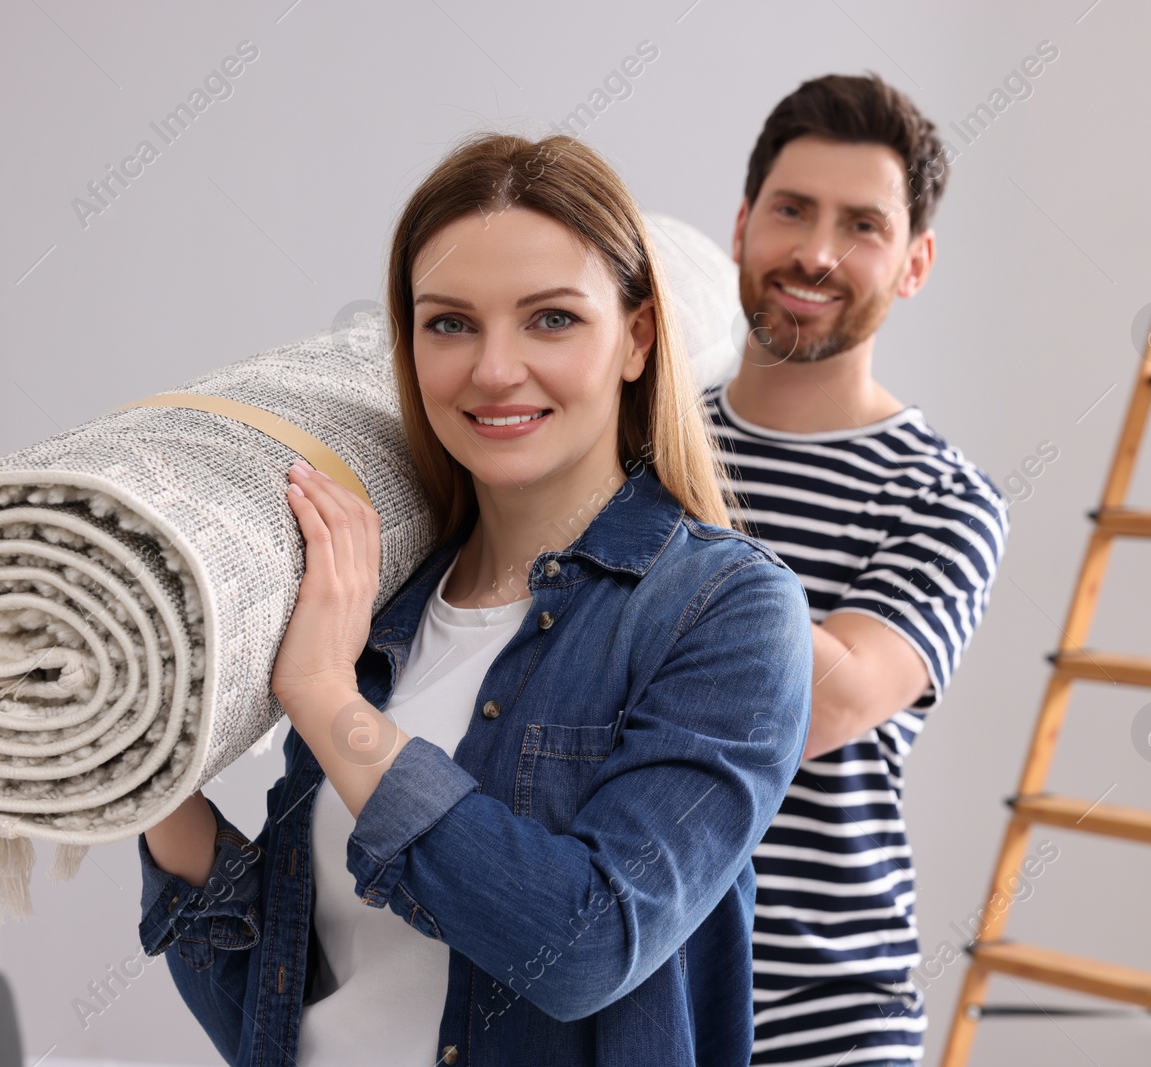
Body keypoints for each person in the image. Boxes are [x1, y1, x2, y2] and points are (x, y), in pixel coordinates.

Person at [135, 130, 816, 1066]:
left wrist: (332, 703)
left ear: (639, 338)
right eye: (450, 323)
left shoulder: (726, 612)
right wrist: (136, 759)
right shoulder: (370, 601)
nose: (494, 369)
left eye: (551, 319)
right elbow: (275, 1005)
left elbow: (585, 945)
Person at [704, 74, 1010, 1065]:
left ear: (914, 262)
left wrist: (643, 516)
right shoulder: (638, 442)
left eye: (862, 225)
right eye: (791, 210)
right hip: (614, 987)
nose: (816, 252)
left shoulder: (944, 496)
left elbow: (809, 706)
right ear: (743, 223)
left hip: (826, 1018)